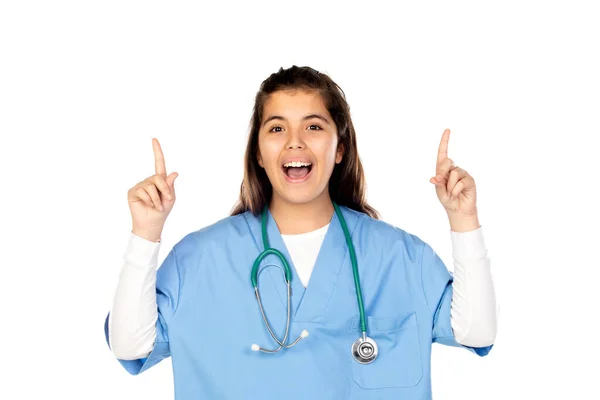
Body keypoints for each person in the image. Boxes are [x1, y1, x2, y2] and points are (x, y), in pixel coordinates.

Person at [103, 65, 497, 399]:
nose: (294, 141)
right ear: (259, 152)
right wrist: (145, 232)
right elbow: (129, 345)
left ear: (339, 147)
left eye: (313, 126)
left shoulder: (398, 256)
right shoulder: (200, 258)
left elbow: (476, 331)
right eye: (276, 128)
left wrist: (463, 220)